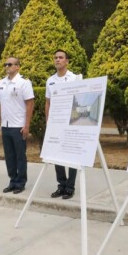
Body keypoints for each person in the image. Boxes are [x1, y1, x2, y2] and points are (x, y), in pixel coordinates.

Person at [0, 57, 34, 194]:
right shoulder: (1, 82)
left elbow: (30, 103)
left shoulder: (24, 83)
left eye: (10, 64)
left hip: (18, 125)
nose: (7, 66)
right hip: (5, 125)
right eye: (6, 64)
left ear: (17, 67)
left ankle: (21, 182)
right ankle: (12, 181)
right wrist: (1, 121)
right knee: (9, 156)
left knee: (20, 155)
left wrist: (27, 125)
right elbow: (1, 104)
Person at [45, 49, 80, 199]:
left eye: (61, 58)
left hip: (71, 122)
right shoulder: (50, 80)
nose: (58, 60)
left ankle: (70, 187)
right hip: (56, 123)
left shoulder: (75, 78)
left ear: (67, 61)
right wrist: (48, 122)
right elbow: (48, 102)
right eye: (56, 58)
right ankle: (61, 185)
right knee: (57, 155)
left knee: (71, 156)